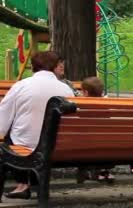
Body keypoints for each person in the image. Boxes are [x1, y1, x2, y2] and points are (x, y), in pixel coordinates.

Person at [0, 51, 74, 199]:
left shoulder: (21, 86)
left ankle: (23, 184)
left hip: (27, 146)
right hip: (57, 146)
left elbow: (3, 119)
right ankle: (30, 183)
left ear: (34, 67)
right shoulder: (66, 89)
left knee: (10, 138)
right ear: (54, 67)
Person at [75, 77, 116, 183]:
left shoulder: (83, 107)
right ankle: (103, 170)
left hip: (84, 146)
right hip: (105, 145)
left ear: (86, 93)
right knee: (103, 141)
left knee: (84, 141)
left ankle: (86, 171)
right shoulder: (106, 106)